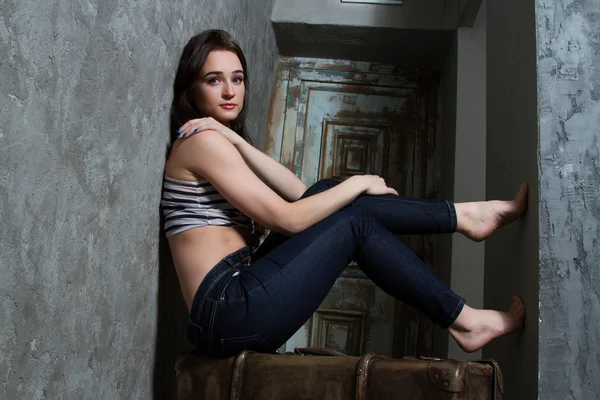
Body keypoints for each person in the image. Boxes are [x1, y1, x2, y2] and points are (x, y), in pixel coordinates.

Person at [162, 29, 526, 358]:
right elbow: (288, 218)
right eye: (214, 80)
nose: (230, 91)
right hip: (225, 309)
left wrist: (235, 139)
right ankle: (464, 315)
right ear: (191, 89)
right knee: (354, 222)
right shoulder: (200, 142)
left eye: (237, 79)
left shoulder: (216, 140)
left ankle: (465, 219)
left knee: (326, 193)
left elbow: (301, 193)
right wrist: (360, 181)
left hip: (238, 293)